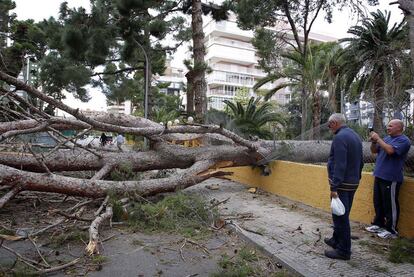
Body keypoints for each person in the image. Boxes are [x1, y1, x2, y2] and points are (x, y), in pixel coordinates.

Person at [324, 113, 364, 260]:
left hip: (342, 184)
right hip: (352, 182)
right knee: (341, 213)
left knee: (340, 217)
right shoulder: (355, 135)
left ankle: (344, 251)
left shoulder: (340, 137)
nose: (329, 128)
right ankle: (336, 240)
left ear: (334, 123)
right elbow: (361, 161)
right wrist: (357, 178)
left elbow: (340, 164)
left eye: (329, 125)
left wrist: (334, 187)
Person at [365, 119, 411, 239]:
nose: (388, 127)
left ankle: (391, 230)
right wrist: (374, 142)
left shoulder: (404, 140)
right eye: (388, 125)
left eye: (391, 126)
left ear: (399, 128)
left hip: (391, 178)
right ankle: (378, 224)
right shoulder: (387, 138)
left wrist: (379, 139)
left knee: (390, 204)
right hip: (379, 175)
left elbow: (390, 151)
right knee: (378, 202)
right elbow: (374, 151)